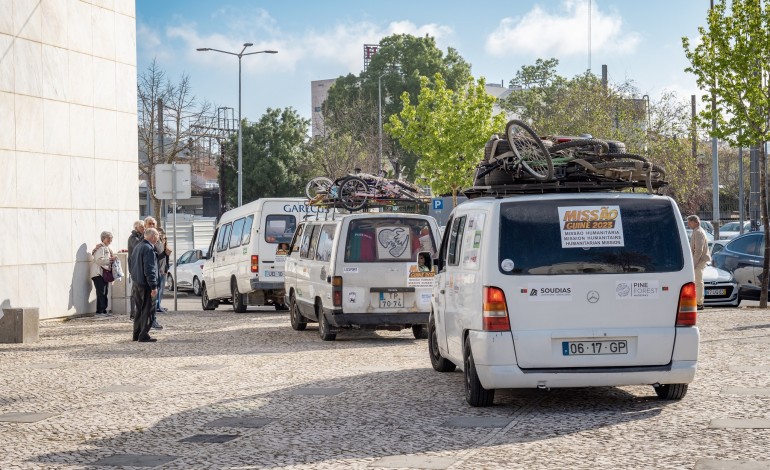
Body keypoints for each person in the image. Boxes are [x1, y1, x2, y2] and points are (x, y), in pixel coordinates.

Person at [129, 228, 160, 342]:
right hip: (146, 284)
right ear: (152, 236)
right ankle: (143, 334)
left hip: (137, 283)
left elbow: (131, 264)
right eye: (157, 235)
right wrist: (153, 286)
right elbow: (149, 269)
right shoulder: (148, 249)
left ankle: (136, 334)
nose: (158, 238)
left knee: (139, 310)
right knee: (148, 310)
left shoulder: (138, 247)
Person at [143, 217, 169, 329]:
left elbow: (160, 253)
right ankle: (149, 322)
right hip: (149, 274)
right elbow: (157, 254)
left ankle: (150, 321)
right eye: (150, 223)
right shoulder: (144, 240)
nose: (152, 225)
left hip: (159, 270)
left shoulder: (158, 239)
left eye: (154, 224)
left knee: (155, 298)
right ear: (145, 225)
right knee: (150, 300)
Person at [687, 215, 711, 310]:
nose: (688, 224)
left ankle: (699, 303)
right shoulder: (696, 231)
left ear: (696, 222)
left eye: (690, 222)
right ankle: (698, 301)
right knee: (697, 282)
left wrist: (693, 264)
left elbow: (698, 251)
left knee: (698, 282)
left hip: (699, 261)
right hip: (699, 260)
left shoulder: (698, 232)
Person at [91, 231, 116, 317]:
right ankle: (100, 311)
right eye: (108, 238)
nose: (110, 240)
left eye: (111, 238)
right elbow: (99, 260)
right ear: (103, 238)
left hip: (103, 274)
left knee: (105, 292)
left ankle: (104, 310)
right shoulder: (101, 248)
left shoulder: (107, 248)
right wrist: (110, 260)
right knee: (101, 292)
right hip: (98, 273)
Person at [127, 220, 145, 320]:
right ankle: (133, 313)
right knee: (135, 290)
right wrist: (144, 236)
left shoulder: (140, 236)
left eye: (143, 227)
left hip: (140, 267)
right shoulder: (132, 238)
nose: (143, 228)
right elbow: (137, 246)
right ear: (136, 228)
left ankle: (139, 312)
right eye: (141, 227)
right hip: (134, 267)